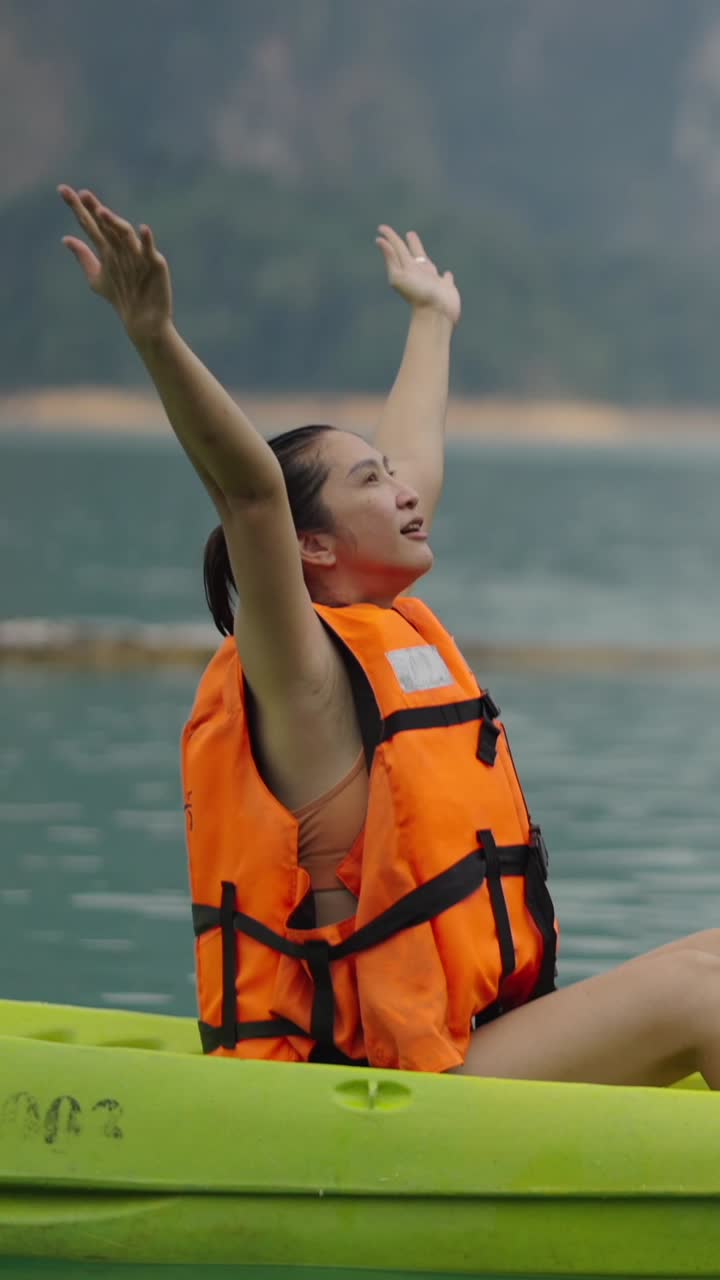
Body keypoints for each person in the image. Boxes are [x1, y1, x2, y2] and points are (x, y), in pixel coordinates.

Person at [60, 183, 720, 1087]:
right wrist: (154, 336)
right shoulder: (302, 675)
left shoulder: (387, 625)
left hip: (454, 1042)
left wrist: (432, 318)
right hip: (373, 1075)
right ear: (314, 546)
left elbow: (418, 450)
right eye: (373, 482)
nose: (405, 490)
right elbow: (252, 491)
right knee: (703, 999)